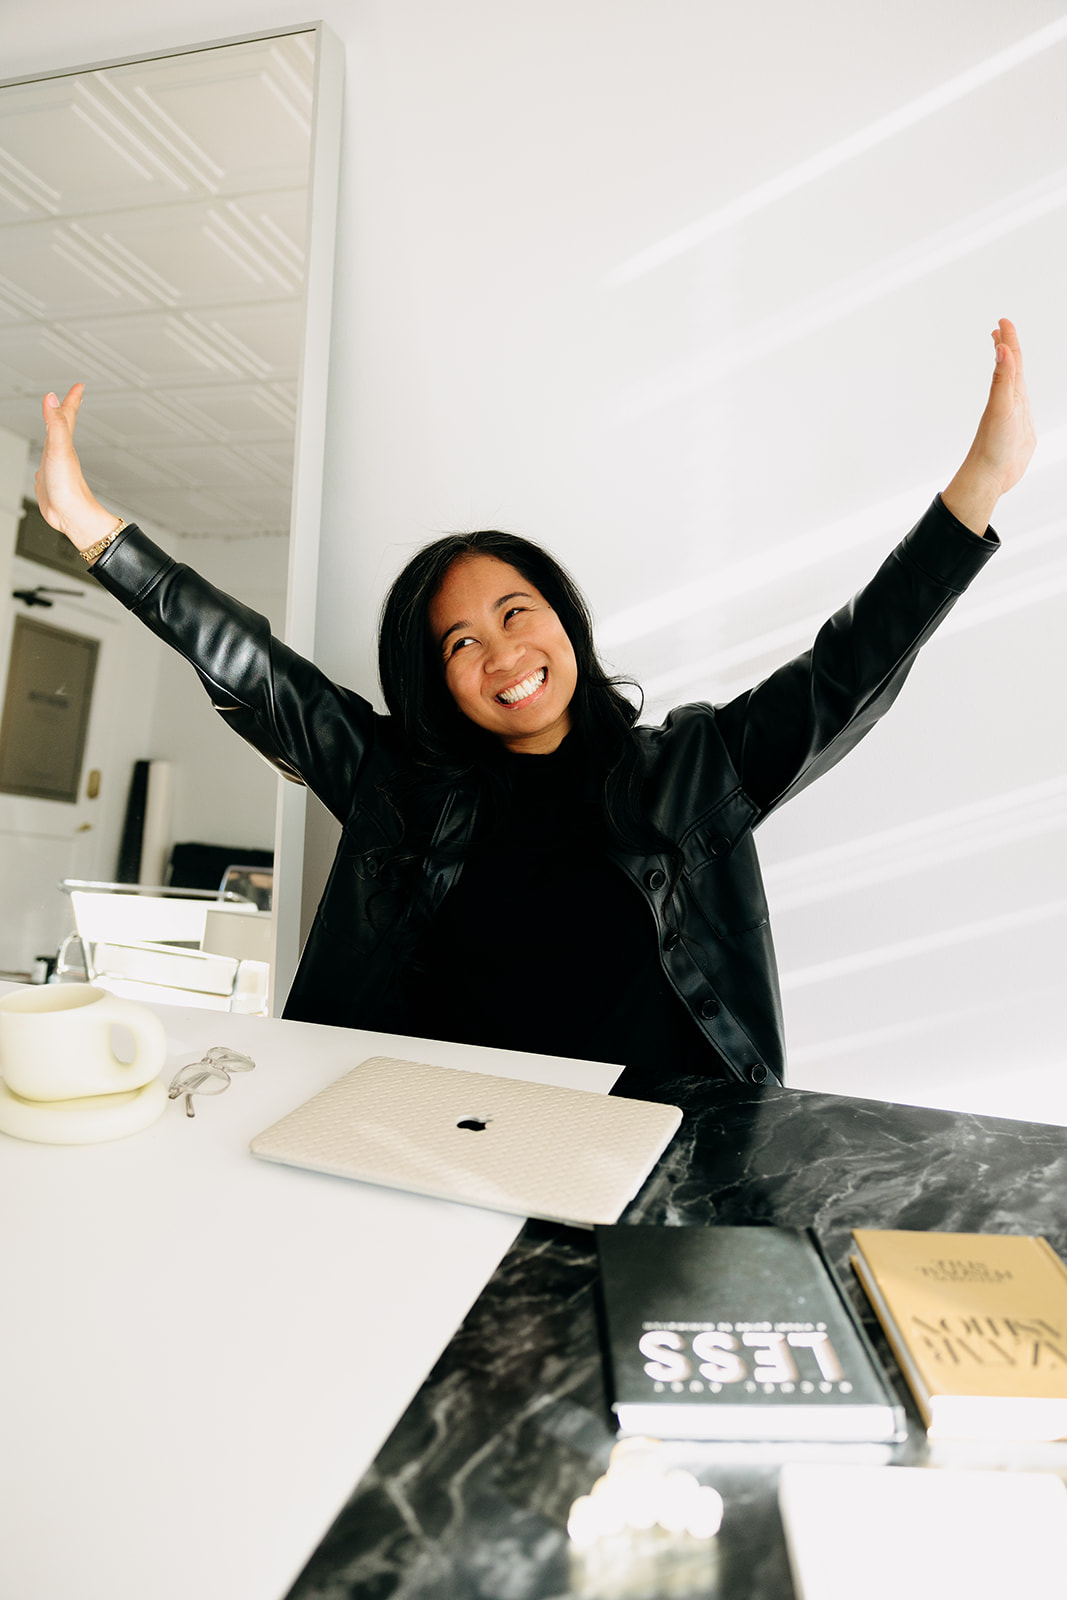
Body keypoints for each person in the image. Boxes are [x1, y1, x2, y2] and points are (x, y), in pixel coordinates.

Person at [34, 320, 1035, 1100]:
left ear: (563, 617)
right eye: (460, 642)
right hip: (428, 1140)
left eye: (516, 612)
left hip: (654, 1157)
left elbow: (843, 670)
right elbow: (258, 671)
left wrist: (977, 485)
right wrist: (94, 532)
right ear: (436, 683)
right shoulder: (398, 784)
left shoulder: (687, 769)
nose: (501, 651)